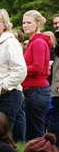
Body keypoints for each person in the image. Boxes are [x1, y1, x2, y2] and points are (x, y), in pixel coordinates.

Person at [0, 9, 27, 131]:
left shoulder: (10, 43)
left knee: (3, 134)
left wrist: (3, 88)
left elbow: (20, 70)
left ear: (5, 24)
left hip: (8, 95)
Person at [21, 10, 52, 140]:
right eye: (23, 22)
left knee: (36, 133)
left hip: (37, 91)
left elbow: (37, 68)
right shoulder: (32, 42)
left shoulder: (38, 42)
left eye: (29, 22)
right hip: (33, 91)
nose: (25, 25)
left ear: (38, 24)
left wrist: (19, 69)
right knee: (33, 131)